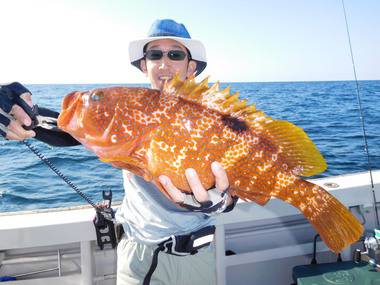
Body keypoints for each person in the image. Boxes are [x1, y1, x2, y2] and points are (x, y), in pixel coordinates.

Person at [0, 19, 238, 285]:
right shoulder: (127, 114)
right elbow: (68, 127)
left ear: (190, 67)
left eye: (175, 54)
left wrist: (223, 201)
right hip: (138, 256)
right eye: (155, 54)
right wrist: (18, 113)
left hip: (198, 258)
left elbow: (236, 185)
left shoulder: (215, 120)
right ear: (144, 65)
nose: (164, 62)